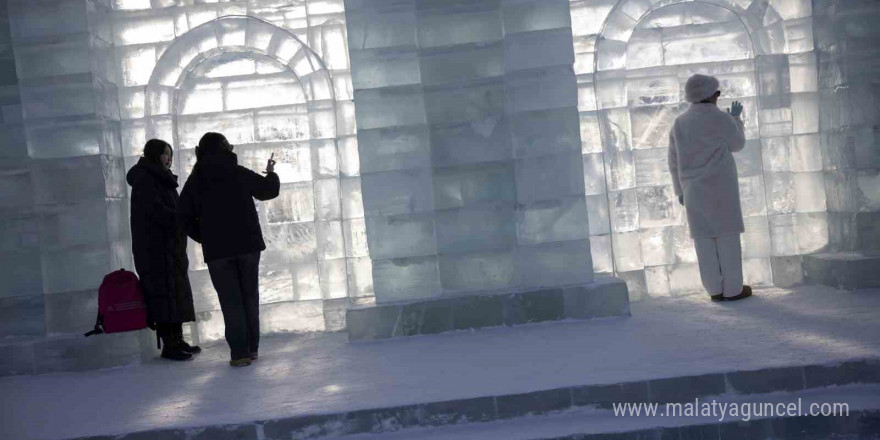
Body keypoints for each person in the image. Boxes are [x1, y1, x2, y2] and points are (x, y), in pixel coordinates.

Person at [179, 132, 279, 367]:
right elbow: (267, 191)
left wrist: (204, 237)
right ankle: (252, 349)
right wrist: (271, 173)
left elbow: (182, 216)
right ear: (225, 149)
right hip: (247, 246)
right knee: (249, 297)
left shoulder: (196, 180)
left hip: (218, 251)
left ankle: (240, 353)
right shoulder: (238, 172)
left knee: (230, 301)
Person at [668, 74, 753, 302]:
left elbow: (673, 160)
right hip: (721, 187)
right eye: (717, 93)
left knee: (703, 239)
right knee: (727, 236)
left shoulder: (679, 123)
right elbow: (737, 144)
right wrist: (735, 119)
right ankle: (734, 288)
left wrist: (679, 190)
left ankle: (714, 289)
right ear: (712, 95)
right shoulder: (720, 118)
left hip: (693, 190)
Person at [127, 139, 201, 361]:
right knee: (164, 294)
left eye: (170, 154)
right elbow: (157, 212)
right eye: (165, 154)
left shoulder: (160, 178)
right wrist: (181, 218)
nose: (169, 158)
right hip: (156, 248)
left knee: (174, 292)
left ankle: (177, 339)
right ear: (153, 155)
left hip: (168, 246)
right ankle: (170, 344)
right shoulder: (146, 180)